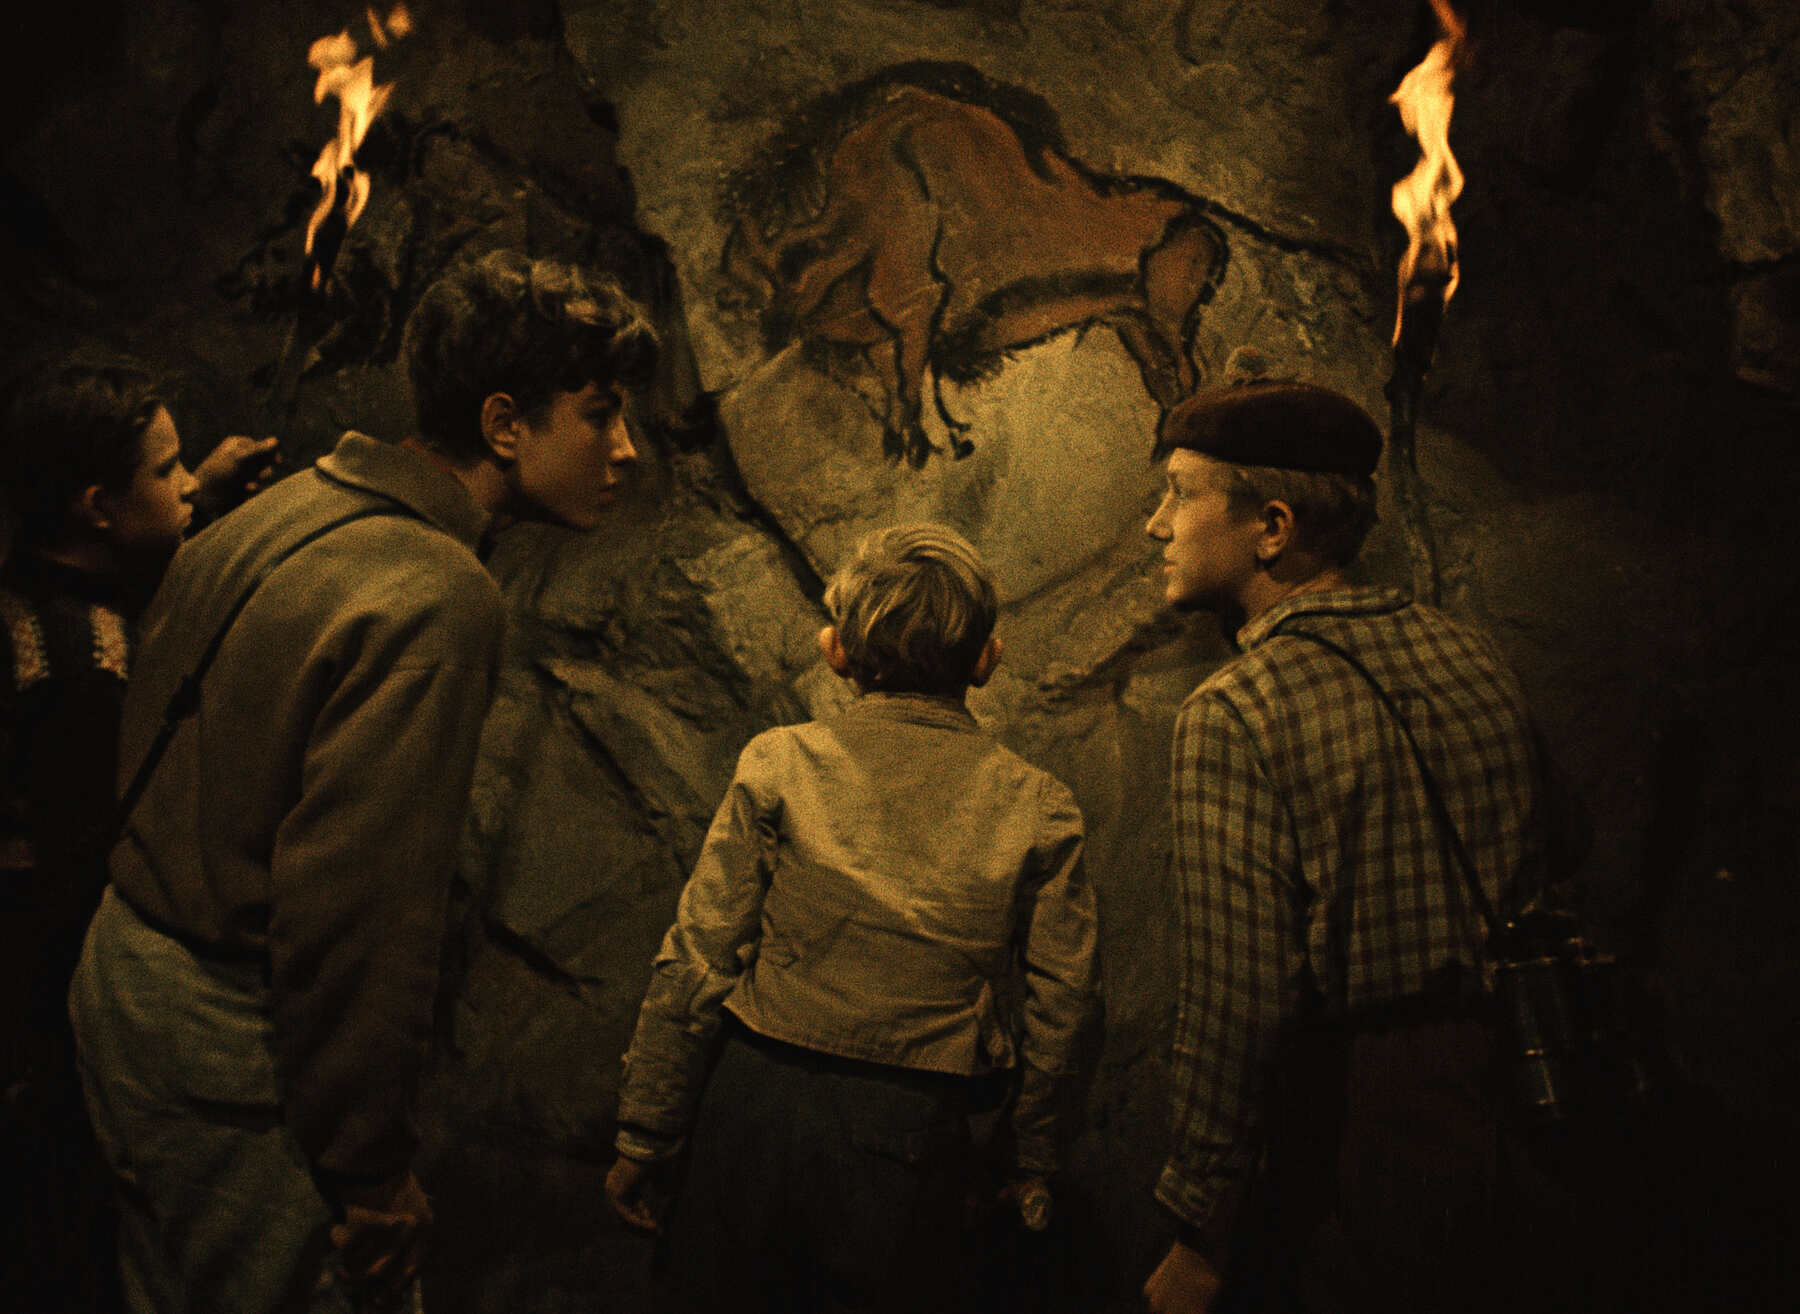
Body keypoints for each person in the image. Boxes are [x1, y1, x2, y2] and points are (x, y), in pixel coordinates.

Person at [67, 250, 658, 1314]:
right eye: (601, 413)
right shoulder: (435, 594)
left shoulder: (288, 506)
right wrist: (370, 1170)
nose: (627, 448)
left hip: (125, 975)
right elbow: (357, 914)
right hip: (227, 1038)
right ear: (505, 424)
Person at [605, 523, 1099, 1313]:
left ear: (834, 650)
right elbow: (1063, 1007)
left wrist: (647, 1129)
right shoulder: (1038, 807)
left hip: (754, 1108)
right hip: (914, 1130)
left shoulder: (779, 764)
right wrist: (1032, 1159)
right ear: (986, 659)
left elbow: (699, 955)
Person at [1138, 381, 1553, 1314]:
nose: (1156, 525)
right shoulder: (1469, 653)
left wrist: (1200, 1233)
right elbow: (1555, 846)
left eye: (1180, 492)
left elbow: (1238, 1002)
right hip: (1514, 1110)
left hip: (1359, 1135)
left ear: (1272, 527)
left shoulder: (1237, 712)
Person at [0, 352, 277, 1312]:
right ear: (95, 507)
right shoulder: (83, 674)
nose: (187, 481)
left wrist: (201, 493)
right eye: (166, 470)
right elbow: (85, 868)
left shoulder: (34, 583)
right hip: (54, 1006)